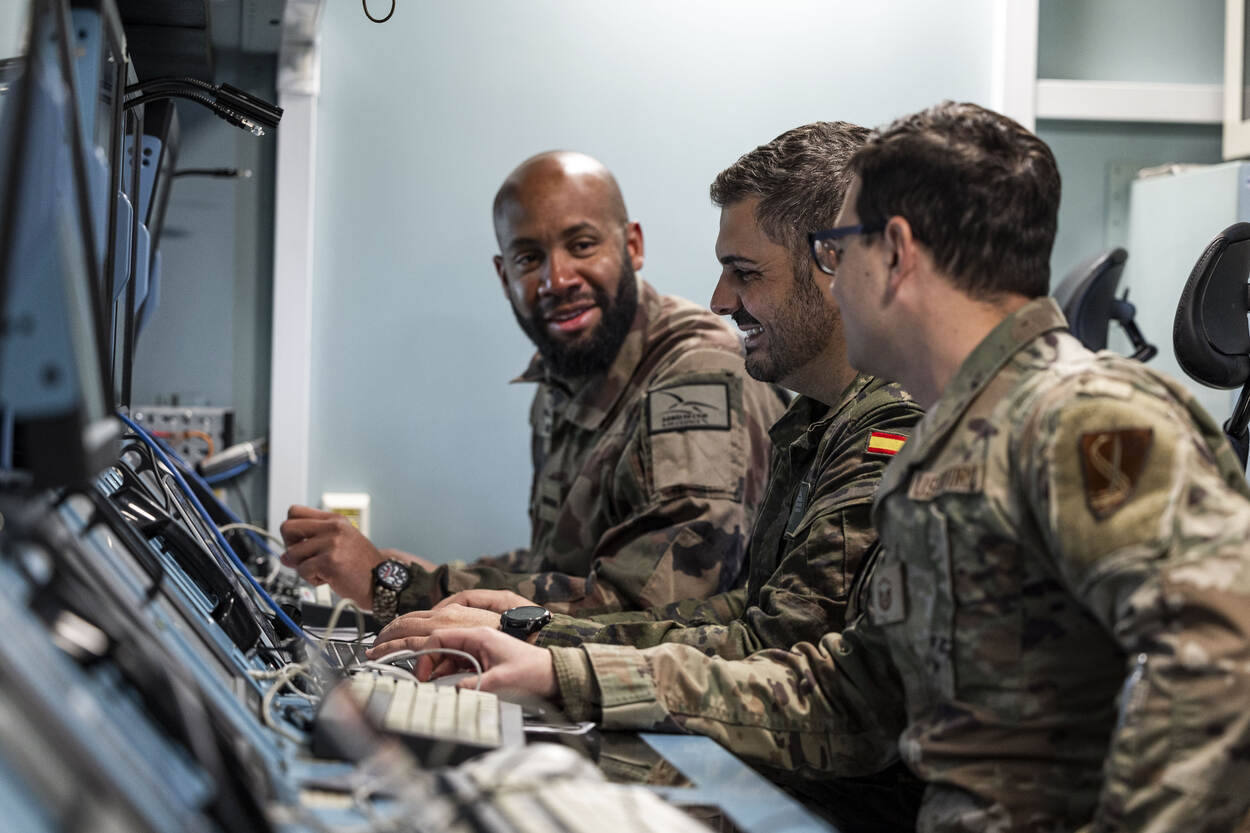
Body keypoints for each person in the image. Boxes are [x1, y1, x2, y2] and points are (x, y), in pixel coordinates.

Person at [390, 102, 1250, 832]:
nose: (829, 279)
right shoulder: (951, 441)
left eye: (839, 247)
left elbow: (1226, 654)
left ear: (896, 252)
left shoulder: (1086, 417)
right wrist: (564, 665)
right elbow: (853, 693)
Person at [371, 123, 926, 831]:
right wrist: (530, 632)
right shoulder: (819, 428)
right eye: (529, 256)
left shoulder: (891, 429)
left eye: (745, 271)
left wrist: (555, 664)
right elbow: (745, 621)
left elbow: (817, 687)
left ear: (835, 262)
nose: (721, 298)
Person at [279, 151, 786, 624]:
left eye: (582, 245)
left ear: (632, 246)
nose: (556, 279)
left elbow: (653, 605)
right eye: (527, 258)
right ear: (504, 276)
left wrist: (400, 586)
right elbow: (568, 561)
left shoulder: (696, 377)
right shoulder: (564, 369)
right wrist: (418, 574)